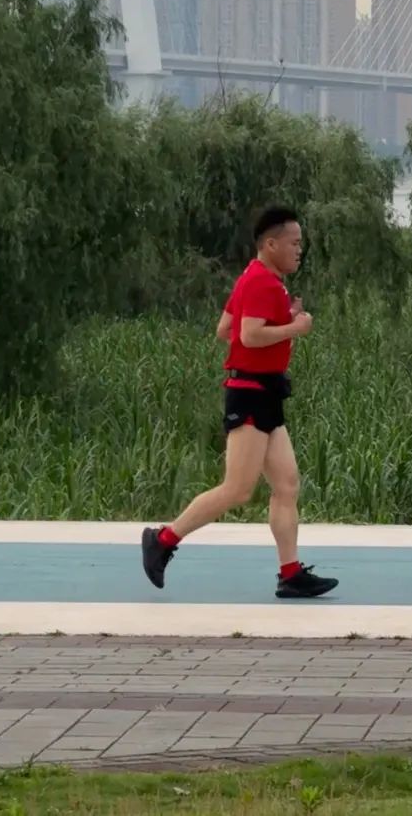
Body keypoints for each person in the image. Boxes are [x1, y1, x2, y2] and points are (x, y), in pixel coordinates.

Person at [141, 205, 338, 600]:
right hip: (249, 393)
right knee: (238, 489)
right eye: (294, 243)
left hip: (266, 393)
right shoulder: (263, 282)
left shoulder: (254, 279)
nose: (300, 250)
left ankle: (290, 573)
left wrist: (283, 317)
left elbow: (224, 329)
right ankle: (162, 540)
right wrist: (295, 327)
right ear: (271, 243)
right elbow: (248, 336)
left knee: (286, 483)